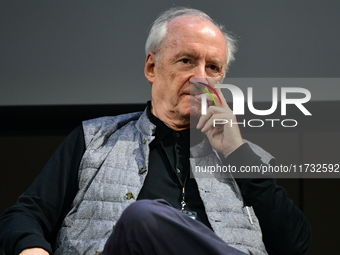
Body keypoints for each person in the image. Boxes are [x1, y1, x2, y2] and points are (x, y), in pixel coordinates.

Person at [0, 7, 311, 255]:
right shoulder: (94, 140)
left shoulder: (243, 155)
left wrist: (236, 153)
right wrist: (32, 249)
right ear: (152, 67)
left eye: (213, 68)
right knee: (142, 219)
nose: (200, 78)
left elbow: (294, 244)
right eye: (187, 61)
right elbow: (24, 215)